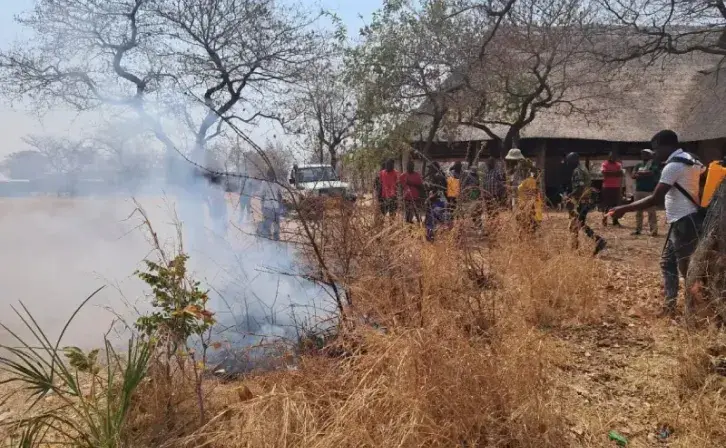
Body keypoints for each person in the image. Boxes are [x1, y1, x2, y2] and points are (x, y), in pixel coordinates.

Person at [610, 130, 706, 316]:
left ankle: (694, 310)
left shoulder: (673, 166)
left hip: (684, 222)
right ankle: (670, 306)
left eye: (656, 149)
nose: (655, 153)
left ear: (666, 146)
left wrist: (623, 209)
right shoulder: (693, 160)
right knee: (667, 263)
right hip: (685, 219)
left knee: (685, 268)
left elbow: (655, 198)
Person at [565, 152, 607, 255]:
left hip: (580, 201)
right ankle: (576, 246)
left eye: (569, 161)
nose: (568, 163)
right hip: (585, 200)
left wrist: (569, 196)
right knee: (578, 224)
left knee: (577, 224)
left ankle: (597, 240)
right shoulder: (583, 168)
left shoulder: (577, 171)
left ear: (574, 160)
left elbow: (580, 187)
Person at [631, 149, 660, 236]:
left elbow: (651, 173)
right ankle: (638, 229)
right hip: (638, 190)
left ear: (650, 155)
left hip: (649, 190)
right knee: (638, 211)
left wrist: (639, 173)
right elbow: (633, 175)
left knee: (651, 211)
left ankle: (653, 230)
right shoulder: (638, 164)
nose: (643, 155)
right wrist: (643, 173)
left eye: (646, 154)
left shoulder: (654, 164)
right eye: (642, 154)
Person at [516, 162, 544, 234]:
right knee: (530, 227)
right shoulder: (530, 181)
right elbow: (531, 194)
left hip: (531, 209)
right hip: (531, 209)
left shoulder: (529, 181)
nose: (539, 176)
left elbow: (520, 189)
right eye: (538, 174)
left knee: (529, 227)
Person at [258, 168, 283, 241]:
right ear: (267, 176)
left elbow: (280, 195)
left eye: (272, 176)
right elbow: (262, 195)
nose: (271, 177)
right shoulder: (264, 183)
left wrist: (280, 205)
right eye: (269, 176)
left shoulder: (277, 184)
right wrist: (262, 206)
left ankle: (276, 238)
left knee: (276, 224)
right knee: (267, 224)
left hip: (275, 207)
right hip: (267, 207)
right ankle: (268, 238)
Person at [600, 151, 624, 227]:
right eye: (611, 156)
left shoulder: (618, 164)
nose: (613, 158)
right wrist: (615, 173)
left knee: (615, 205)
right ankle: (604, 219)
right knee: (606, 205)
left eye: (614, 157)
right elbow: (604, 173)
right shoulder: (604, 164)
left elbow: (621, 173)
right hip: (606, 187)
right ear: (608, 156)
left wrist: (610, 173)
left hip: (616, 187)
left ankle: (615, 221)